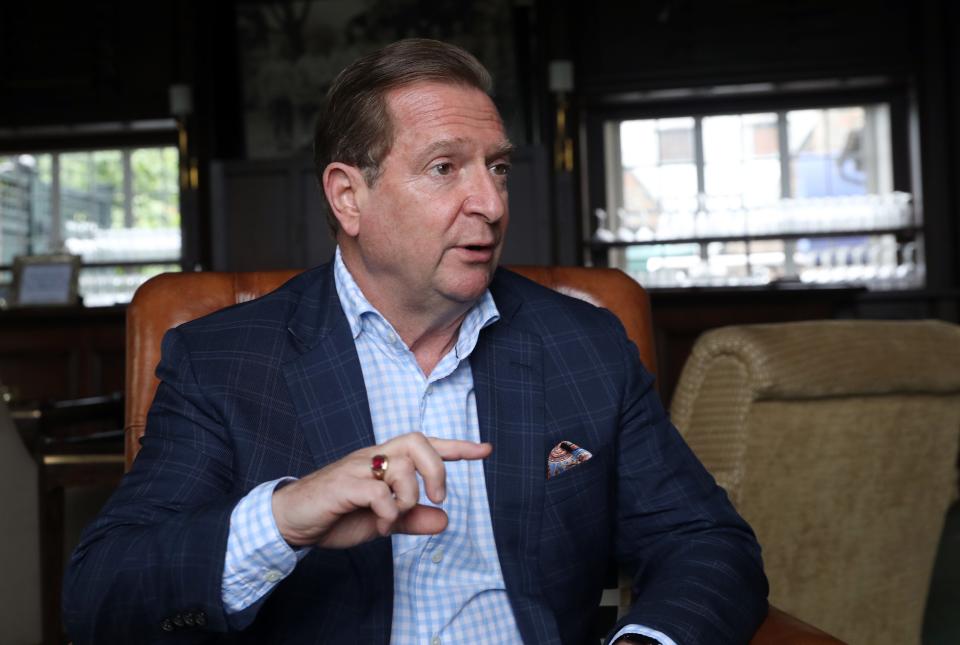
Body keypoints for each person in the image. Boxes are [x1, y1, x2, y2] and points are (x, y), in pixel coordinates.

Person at [63, 39, 767, 644]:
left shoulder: (582, 343)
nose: (490, 204)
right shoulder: (223, 361)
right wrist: (284, 519)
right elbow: (100, 596)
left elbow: (707, 543)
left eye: (496, 167)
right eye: (444, 168)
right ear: (348, 197)